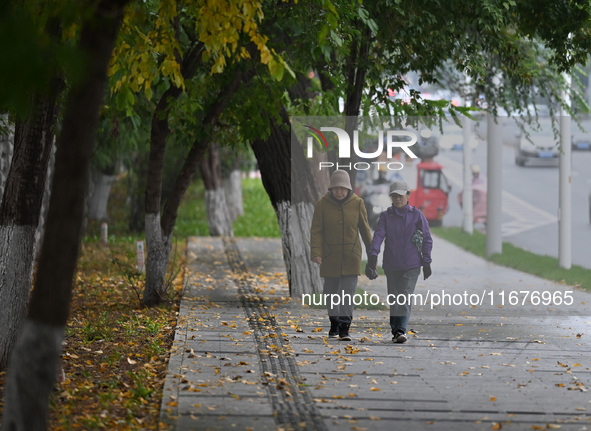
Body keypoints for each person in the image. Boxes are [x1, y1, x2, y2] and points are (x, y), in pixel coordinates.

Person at [366, 180, 433, 343]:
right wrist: (373, 256)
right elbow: (378, 236)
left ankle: (401, 329)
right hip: (392, 264)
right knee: (395, 298)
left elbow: (427, 239)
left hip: (412, 264)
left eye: (401, 196)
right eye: (394, 196)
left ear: (408, 196)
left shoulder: (417, 215)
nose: (397, 199)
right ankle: (396, 330)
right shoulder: (385, 216)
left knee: (405, 296)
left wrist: (427, 262)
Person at [310, 170, 374, 341]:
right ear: (331, 188)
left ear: (348, 189)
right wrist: (316, 252)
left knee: (347, 294)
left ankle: (345, 328)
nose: (339, 191)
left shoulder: (357, 203)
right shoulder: (322, 204)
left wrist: (372, 252)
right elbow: (316, 230)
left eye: (343, 188)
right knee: (331, 293)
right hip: (329, 256)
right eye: (336, 188)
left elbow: (365, 230)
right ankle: (334, 324)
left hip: (351, 257)